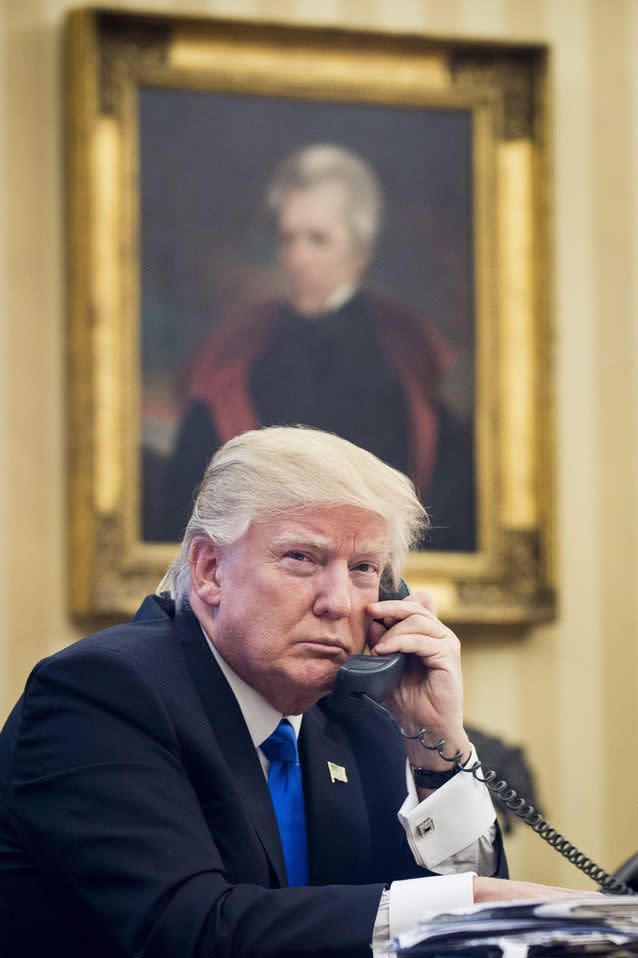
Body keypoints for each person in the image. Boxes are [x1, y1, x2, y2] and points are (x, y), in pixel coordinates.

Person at [1, 427, 580, 958]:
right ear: (208, 571)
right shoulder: (102, 694)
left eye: (363, 569)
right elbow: (189, 932)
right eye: (302, 558)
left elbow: (451, 936)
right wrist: (463, 904)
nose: (340, 603)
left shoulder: (359, 711)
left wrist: (435, 748)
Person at [152, 144, 474, 549]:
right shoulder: (239, 356)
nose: (297, 258)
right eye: (288, 239)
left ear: (359, 253)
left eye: (318, 240)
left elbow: (440, 509)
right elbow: (190, 512)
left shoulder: (405, 360)